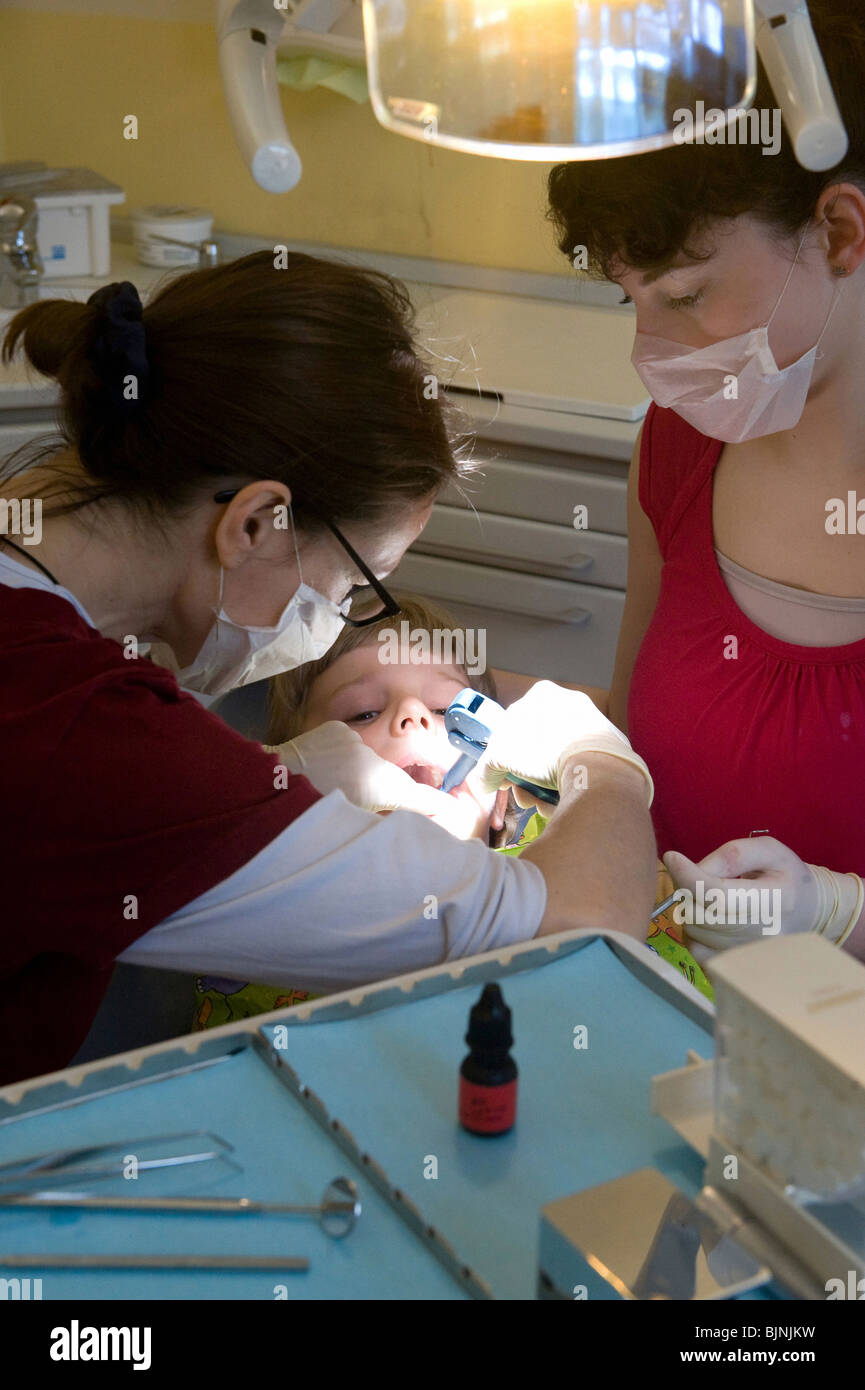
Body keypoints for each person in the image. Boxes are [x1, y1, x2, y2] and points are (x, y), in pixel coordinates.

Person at [0, 251, 656, 1086]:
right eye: (352, 585)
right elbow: (577, 933)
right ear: (253, 524)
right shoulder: (86, 738)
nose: (339, 622)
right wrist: (602, 758)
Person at [541, 0, 865, 960]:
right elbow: (636, 738)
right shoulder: (681, 447)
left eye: (685, 295)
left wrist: (838, 917)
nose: (653, 353)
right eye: (629, 299)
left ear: (841, 232)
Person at [191, 594, 711, 1027]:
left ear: (503, 790)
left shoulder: (586, 861)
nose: (413, 716)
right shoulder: (269, 912)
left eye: (446, 710)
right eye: (363, 712)